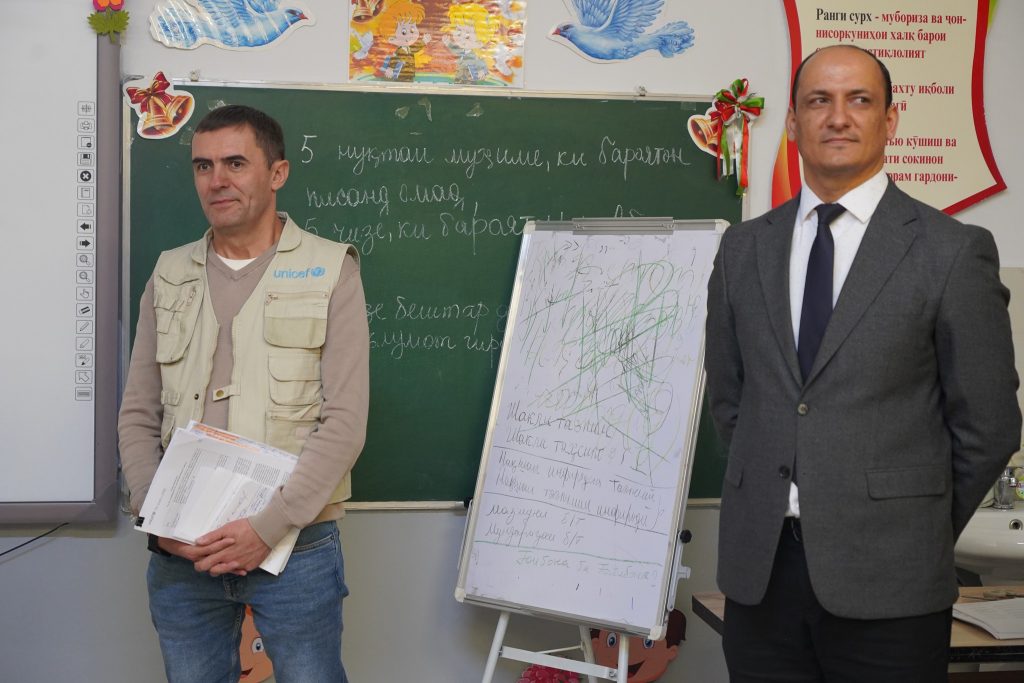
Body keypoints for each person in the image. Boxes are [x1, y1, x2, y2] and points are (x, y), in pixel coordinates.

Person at [704, 44, 1021, 681]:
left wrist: (913, 522)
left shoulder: (952, 252)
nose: (838, 117)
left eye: (860, 100)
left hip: (892, 581)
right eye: (818, 100)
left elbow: (988, 425)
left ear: (890, 119)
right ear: (793, 121)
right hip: (762, 577)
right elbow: (731, 401)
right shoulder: (743, 249)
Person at [118, 104, 369, 682]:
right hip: (181, 551)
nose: (217, 180)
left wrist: (267, 528)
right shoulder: (169, 273)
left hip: (295, 546)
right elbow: (137, 412)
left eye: (235, 163)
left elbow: (344, 422)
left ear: (277, 173)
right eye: (203, 166)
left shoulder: (332, 270)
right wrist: (157, 516)